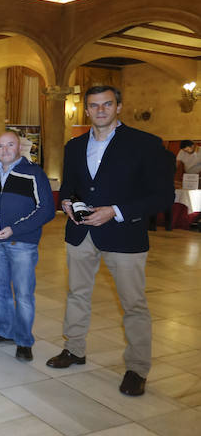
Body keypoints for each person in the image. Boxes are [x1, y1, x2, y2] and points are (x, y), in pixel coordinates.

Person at [47, 85, 173, 396]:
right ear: (86, 110)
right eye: (94, 105)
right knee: (77, 294)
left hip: (124, 234)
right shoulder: (74, 146)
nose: (100, 110)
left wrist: (115, 211)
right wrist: (65, 201)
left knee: (133, 304)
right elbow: (70, 187)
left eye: (107, 104)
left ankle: (137, 368)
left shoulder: (145, 144)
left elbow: (162, 196)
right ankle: (74, 349)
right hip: (81, 233)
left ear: (118, 107)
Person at [0, 131, 55, 361]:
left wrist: (15, 229)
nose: (4, 150)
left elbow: (47, 210)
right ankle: (4, 331)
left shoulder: (33, 173)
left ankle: (23, 340)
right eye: (0, 146)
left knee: (23, 294)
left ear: (19, 147)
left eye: (9, 145)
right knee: (0, 291)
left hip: (22, 243)